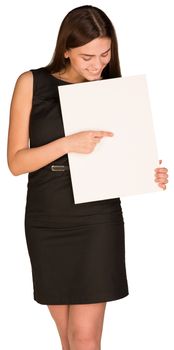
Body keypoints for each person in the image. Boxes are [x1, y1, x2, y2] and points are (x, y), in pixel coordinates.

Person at [7, 5, 168, 350]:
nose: (97, 65)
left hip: (97, 220)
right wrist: (69, 143)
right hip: (46, 220)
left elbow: (126, 156)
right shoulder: (32, 82)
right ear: (65, 49)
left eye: (105, 54)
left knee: (84, 337)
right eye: (86, 57)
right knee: (67, 337)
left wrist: (149, 171)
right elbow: (17, 163)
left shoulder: (113, 91)